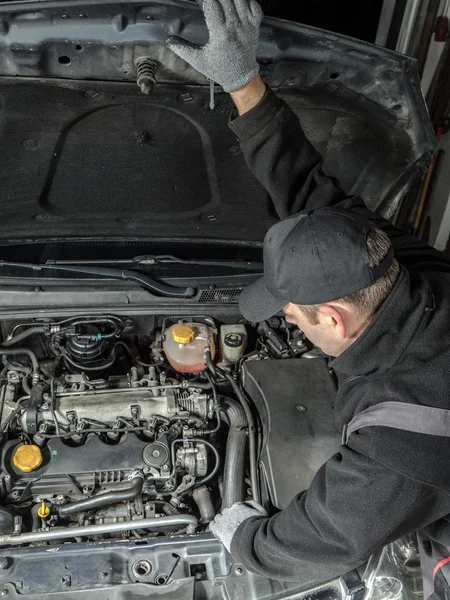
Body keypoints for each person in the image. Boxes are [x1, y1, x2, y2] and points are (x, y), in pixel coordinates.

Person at [166, 1, 450, 595]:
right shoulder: (399, 261)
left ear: (334, 317)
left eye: (291, 317)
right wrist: (244, 83)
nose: (288, 326)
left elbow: (323, 542)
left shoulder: (403, 435)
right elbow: (309, 192)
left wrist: (245, 539)